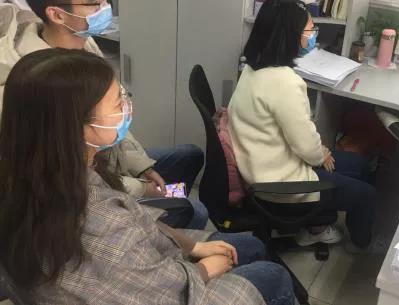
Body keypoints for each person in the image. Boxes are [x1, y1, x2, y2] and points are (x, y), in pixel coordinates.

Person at [0, 48, 295, 305]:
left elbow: (122, 167)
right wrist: (204, 269)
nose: (127, 105)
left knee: (191, 160)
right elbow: (159, 291)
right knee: (269, 273)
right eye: (118, 103)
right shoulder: (98, 222)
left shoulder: (31, 167)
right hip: (151, 263)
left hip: (132, 214)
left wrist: (146, 170)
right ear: (77, 127)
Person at [0, 0, 207, 228]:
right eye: (93, 2)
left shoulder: (81, 41)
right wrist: (141, 189)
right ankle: (164, 227)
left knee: (190, 155)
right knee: (195, 210)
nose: (104, 7)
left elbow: (113, 115)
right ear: (57, 14)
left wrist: (142, 166)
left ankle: (168, 210)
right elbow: (73, 179)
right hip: (92, 193)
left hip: (114, 162)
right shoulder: (36, 86)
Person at [228, 0, 376, 249]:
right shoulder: (284, 82)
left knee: (359, 165)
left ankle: (317, 223)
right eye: (309, 30)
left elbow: (302, 140)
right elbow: (308, 148)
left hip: (260, 164)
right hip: (279, 184)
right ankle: (360, 247)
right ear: (291, 35)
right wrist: (321, 153)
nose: (313, 35)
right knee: (366, 195)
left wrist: (319, 152)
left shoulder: (253, 67)